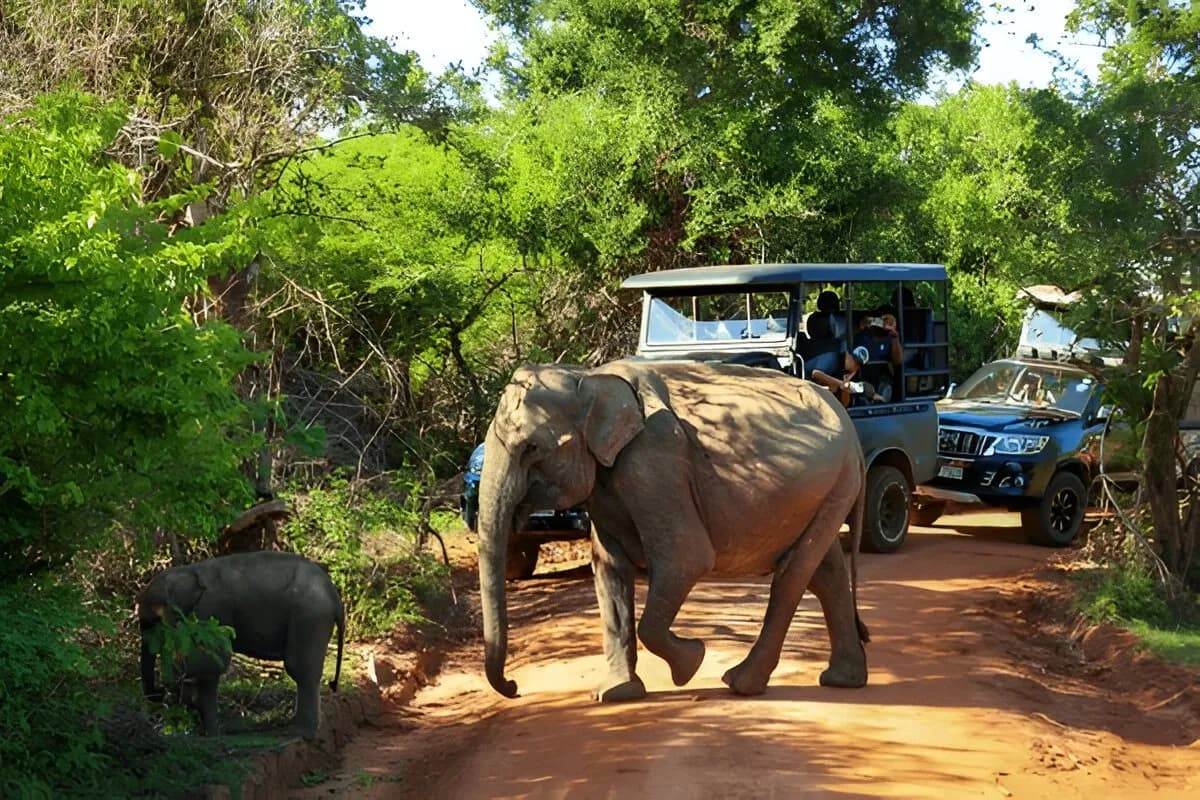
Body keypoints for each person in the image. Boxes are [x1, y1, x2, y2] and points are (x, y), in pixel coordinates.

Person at [811, 345, 882, 408]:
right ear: (848, 354)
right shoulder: (833, 358)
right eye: (853, 359)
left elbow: (844, 405)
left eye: (857, 364)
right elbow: (816, 374)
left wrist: (845, 387)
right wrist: (841, 383)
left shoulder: (851, 374)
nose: (853, 364)